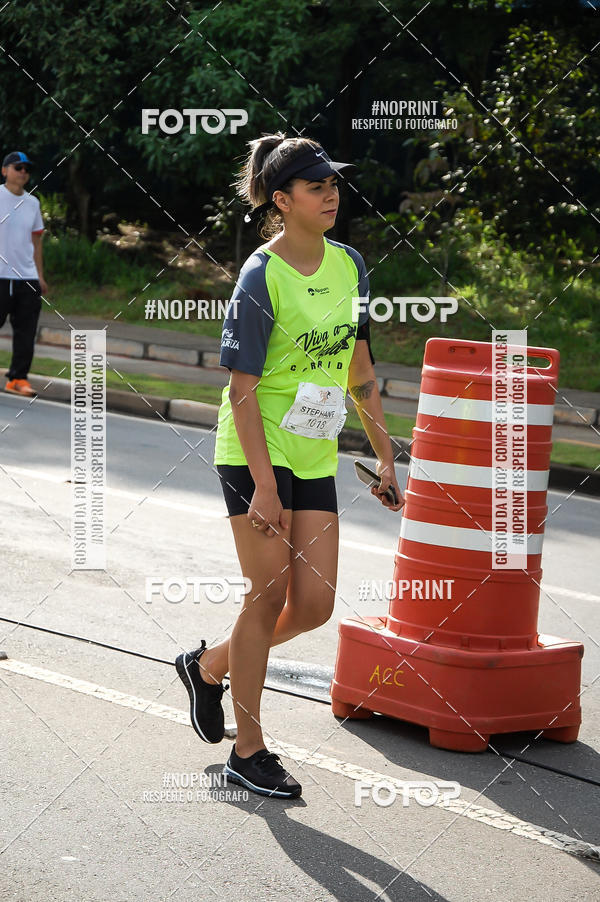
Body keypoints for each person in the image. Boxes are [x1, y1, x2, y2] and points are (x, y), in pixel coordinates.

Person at [175, 133, 405, 800]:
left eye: (333, 184)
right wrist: (265, 487)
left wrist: (384, 452)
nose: (331, 195)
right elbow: (242, 390)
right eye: (315, 186)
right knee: (267, 594)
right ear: (281, 200)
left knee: (314, 606)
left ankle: (208, 666)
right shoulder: (261, 275)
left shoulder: (351, 265)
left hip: (313, 448)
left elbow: (359, 368)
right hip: (254, 452)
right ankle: (247, 751)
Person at [0, 151, 48, 397]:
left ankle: (17, 379)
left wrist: (40, 276)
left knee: (26, 333)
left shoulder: (33, 203)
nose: (23, 172)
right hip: (0, 276)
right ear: (4, 170)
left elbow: (36, 241)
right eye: (18, 167)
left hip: (26, 278)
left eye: (27, 169)